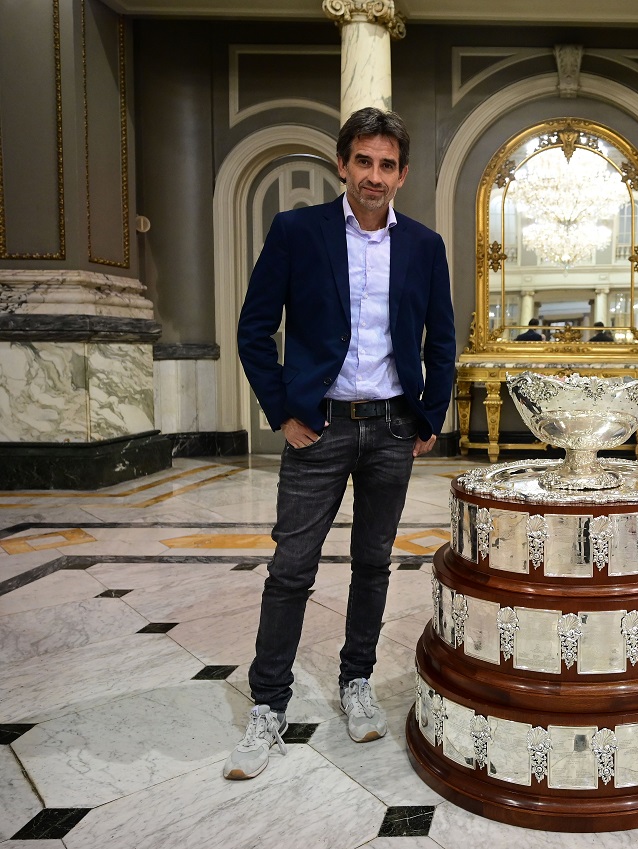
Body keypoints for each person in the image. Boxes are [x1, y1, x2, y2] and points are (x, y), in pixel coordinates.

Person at [227, 107, 455, 779]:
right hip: (319, 425)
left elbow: (440, 340)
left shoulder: (423, 245)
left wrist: (428, 415)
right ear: (342, 165)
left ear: (402, 174)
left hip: (390, 427)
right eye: (363, 161)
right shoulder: (297, 231)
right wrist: (282, 411)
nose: (373, 175)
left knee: (373, 562)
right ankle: (268, 703)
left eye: (386, 165)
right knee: (291, 567)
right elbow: (254, 328)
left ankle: (357, 680)